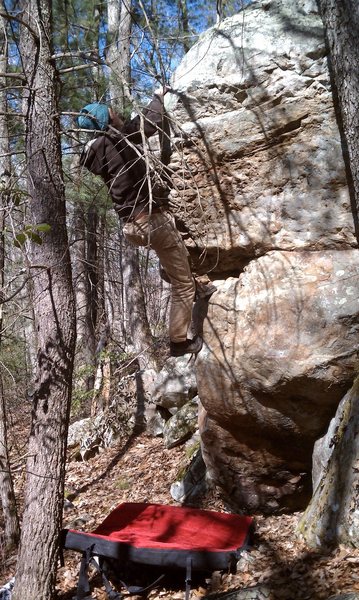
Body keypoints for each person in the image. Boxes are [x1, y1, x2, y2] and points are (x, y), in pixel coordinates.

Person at [78, 87, 210, 357]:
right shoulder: (117, 140)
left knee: (172, 255)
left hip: (131, 226)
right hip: (149, 220)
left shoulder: (103, 150)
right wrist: (159, 97)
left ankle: (197, 287)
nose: (116, 113)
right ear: (106, 120)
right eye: (111, 113)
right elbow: (149, 122)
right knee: (180, 283)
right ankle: (179, 342)